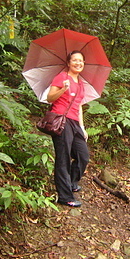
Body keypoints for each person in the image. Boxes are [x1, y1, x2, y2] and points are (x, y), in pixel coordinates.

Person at [47, 51, 89, 207]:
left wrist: (82, 127)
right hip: (61, 120)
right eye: (75, 60)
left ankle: (71, 182)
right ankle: (65, 196)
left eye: (81, 60)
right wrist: (62, 90)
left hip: (75, 123)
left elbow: (78, 107)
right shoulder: (62, 77)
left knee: (83, 155)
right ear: (68, 62)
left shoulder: (81, 83)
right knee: (63, 158)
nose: (78, 63)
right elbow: (49, 98)